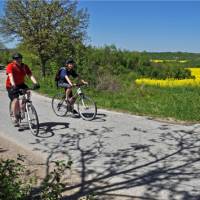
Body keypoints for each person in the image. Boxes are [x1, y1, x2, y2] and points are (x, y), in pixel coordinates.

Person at [6, 53, 40, 125]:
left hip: (21, 84)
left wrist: (36, 83)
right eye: (16, 59)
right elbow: (10, 76)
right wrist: (13, 86)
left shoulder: (24, 66)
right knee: (15, 100)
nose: (18, 60)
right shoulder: (10, 66)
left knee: (28, 92)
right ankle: (14, 116)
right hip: (11, 85)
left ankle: (23, 107)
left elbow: (30, 75)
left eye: (20, 58)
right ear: (13, 60)